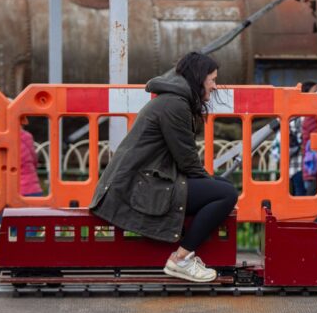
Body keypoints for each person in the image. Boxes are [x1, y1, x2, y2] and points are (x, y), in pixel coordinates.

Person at [90, 52, 238, 283]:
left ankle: (185, 253)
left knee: (222, 186)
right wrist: (208, 183)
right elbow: (187, 158)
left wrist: (209, 182)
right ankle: (181, 259)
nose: (215, 86)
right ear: (199, 78)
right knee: (226, 193)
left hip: (143, 181)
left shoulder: (172, 100)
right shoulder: (175, 105)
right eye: (212, 79)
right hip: (136, 187)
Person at [0, 114, 43, 254]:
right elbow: (34, 162)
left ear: (1, 117)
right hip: (30, 194)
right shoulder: (27, 137)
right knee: (30, 236)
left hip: (0, 196)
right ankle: (31, 267)